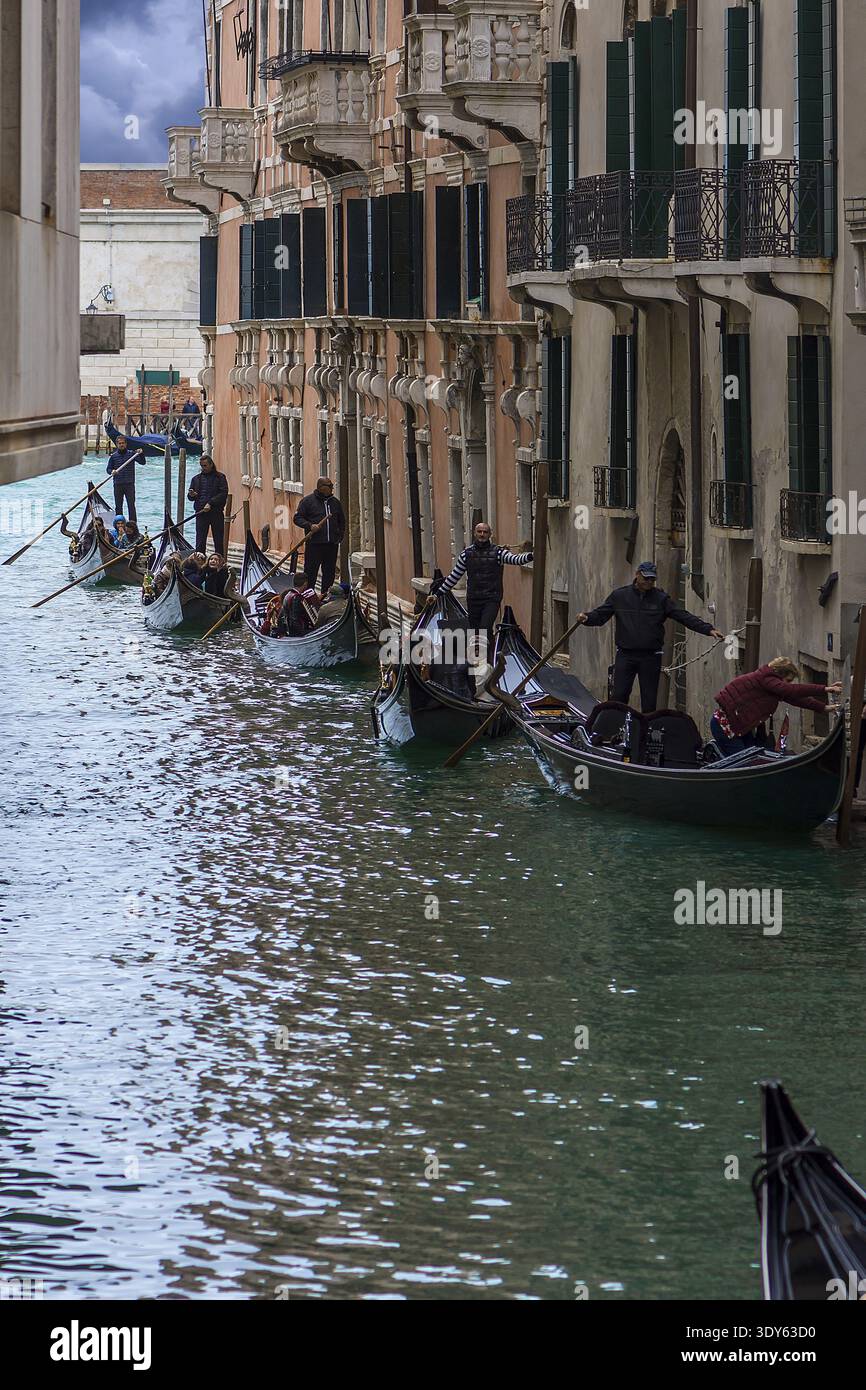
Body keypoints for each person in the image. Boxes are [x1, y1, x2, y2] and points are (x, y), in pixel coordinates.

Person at [576, 561, 724, 713]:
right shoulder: (620, 596)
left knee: (649, 700)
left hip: (651, 656)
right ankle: (616, 730)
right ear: (637, 575)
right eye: (646, 578)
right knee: (619, 696)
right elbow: (600, 615)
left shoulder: (661, 599)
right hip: (626, 655)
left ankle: (646, 733)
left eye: (652, 580)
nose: (648, 582)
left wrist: (708, 630)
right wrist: (586, 618)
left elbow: (683, 616)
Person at [431, 521, 533, 653]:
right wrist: (437, 594)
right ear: (475, 533)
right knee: (476, 631)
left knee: (485, 627)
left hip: (492, 598)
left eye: (485, 532)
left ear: (490, 534)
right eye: (479, 532)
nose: (482, 534)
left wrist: (532, 555)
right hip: (473, 599)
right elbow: (454, 577)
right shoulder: (466, 555)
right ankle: (483, 657)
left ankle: (487, 659)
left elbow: (516, 560)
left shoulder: (498, 553)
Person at [711, 659, 841, 756]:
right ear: (780, 675)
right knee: (743, 763)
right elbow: (791, 690)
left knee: (753, 759)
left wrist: (824, 708)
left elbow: (797, 699)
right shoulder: (767, 679)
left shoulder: (771, 685)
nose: (789, 684)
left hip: (738, 727)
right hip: (725, 726)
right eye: (788, 680)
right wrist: (825, 689)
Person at [293, 477, 346, 593]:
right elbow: (297, 518)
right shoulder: (307, 502)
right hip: (314, 544)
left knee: (329, 573)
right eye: (329, 486)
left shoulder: (335, 503)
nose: (332, 488)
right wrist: (310, 526)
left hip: (331, 545)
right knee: (310, 572)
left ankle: (325, 596)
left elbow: (342, 521)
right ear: (321, 488)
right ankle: (308, 596)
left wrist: (339, 537)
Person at [187, 455, 228, 555]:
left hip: (216, 513)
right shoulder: (195, 479)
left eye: (205, 465)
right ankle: (199, 563)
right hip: (201, 514)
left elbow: (223, 493)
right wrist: (192, 495)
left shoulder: (220, 477)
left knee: (218, 540)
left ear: (211, 464)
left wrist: (210, 503)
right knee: (200, 541)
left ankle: (219, 563)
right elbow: (190, 498)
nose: (203, 468)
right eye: (201, 466)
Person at [106, 436, 146, 522]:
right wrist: (112, 471)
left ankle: (133, 524)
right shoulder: (113, 457)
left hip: (129, 484)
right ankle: (119, 525)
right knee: (118, 506)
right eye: (119, 443)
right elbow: (108, 469)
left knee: (131, 505)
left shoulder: (132, 454)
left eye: (123, 443)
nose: (121, 445)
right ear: (117, 445)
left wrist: (141, 453)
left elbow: (143, 462)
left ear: (126, 444)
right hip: (118, 484)